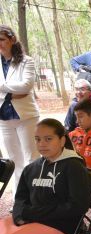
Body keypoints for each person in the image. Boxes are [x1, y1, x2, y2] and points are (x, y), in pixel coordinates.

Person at [0, 25, 39, 192]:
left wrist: (2, 87)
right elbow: (18, 89)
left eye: (2, 39)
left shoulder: (26, 60)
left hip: (26, 116)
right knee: (14, 160)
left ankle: (35, 196)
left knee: (32, 158)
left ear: (12, 39)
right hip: (4, 117)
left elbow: (25, 86)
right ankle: (19, 198)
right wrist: (11, 90)